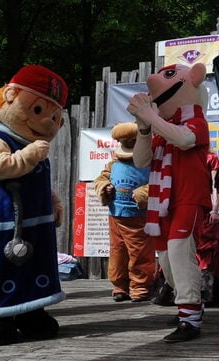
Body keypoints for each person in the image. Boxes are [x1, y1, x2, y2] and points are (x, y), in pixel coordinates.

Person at [0, 65, 67, 346]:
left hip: (32, 224)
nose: (48, 121)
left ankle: (31, 315)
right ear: (9, 97)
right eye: (38, 111)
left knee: (32, 269)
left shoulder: (31, 143)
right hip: (2, 225)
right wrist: (30, 154)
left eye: (55, 117)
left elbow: (38, 182)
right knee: (1, 269)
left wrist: (52, 202)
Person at [128, 62, 211, 343]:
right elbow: (140, 161)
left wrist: (151, 117)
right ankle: (189, 307)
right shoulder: (164, 129)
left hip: (188, 198)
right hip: (163, 202)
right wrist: (143, 128)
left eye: (170, 76)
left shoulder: (195, 120)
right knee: (166, 258)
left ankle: (190, 320)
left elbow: (185, 140)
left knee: (178, 253)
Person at [94, 122, 155, 302]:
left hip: (138, 217)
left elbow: (159, 182)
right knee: (118, 252)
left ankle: (140, 287)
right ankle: (120, 286)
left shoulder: (149, 162)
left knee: (140, 253)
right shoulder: (114, 162)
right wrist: (105, 188)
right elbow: (100, 178)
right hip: (116, 216)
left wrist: (144, 193)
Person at [196, 151, 219, 307]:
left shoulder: (210, 158)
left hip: (206, 208)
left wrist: (215, 209)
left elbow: (216, 185)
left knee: (211, 249)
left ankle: (210, 294)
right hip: (189, 206)